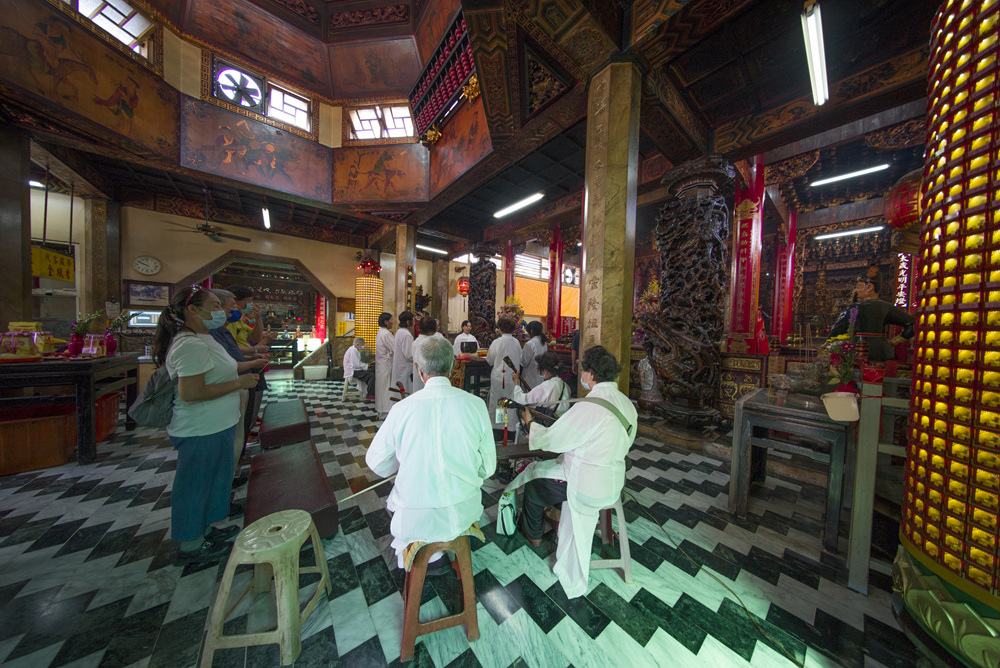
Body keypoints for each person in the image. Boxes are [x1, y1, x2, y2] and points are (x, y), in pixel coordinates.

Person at [515, 346, 638, 598]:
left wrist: (530, 423)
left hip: (586, 486)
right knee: (548, 471)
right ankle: (556, 520)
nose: (582, 373)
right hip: (614, 484)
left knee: (535, 479)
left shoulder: (589, 407)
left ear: (591, 374)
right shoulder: (627, 404)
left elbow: (552, 441)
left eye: (584, 369)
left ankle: (535, 534)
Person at [366, 337, 496, 570]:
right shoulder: (475, 405)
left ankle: (428, 560)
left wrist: (406, 463)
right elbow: (489, 467)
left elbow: (376, 462)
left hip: (416, 516)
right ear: (453, 366)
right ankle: (443, 555)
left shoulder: (401, 409)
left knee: (408, 512)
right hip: (464, 510)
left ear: (418, 369)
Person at [152, 285, 259, 565]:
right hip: (200, 427)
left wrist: (250, 364)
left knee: (215, 479)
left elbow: (226, 367)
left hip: (218, 422)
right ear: (193, 310)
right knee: (195, 484)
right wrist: (239, 383)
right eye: (214, 306)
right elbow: (191, 392)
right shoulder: (189, 345)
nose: (222, 312)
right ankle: (190, 545)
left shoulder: (206, 338)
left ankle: (209, 528)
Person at [209, 289, 268, 489]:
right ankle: (227, 478)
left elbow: (239, 353)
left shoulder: (224, 330)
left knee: (242, 428)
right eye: (230, 306)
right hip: (229, 388)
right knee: (233, 434)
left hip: (241, 380)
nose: (229, 311)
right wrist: (253, 355)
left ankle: (232, 471)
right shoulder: (206, 336)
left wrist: (252, 358)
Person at [828, 268, 915, 361]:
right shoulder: (887, 307)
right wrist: (894, 341)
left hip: (857, 352)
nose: (856, 290)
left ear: (869, 287)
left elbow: (835, 332)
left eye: (858, 287)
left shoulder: (854, 308)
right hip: (884, 353)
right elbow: (912, 323)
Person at [511, 351, 570, 442]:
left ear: (545, 371)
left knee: (524, 418)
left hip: (547, 426)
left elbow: (521, 400)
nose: (539, 371)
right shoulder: (565, 386)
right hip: (562, 425)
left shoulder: (545, 387)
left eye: (539, 370)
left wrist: (516, 383)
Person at [486, 316, 523, 433]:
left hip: (499, 377)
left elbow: (489, 360)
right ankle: (511, 427)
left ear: (500, 328)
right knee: (511, 401)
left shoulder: (497, 342)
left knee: (499, 402)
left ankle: (499, 428)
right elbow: (520, 359)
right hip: (513, 378)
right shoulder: (517, 342)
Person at [412, 316, 446, 392]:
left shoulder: (416, 342)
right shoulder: (430, 343)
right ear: (433, 330)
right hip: (429, 377)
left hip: (418, 376)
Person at [375, 312, 395, 418]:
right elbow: (395, 348)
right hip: (386, 365)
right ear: (385, 322)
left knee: (381, 388)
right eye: (391, 320)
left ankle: (381, 410)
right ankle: (386, 411)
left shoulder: (380, 332)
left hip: (381, 364)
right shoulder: (386, 334)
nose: (392, 322)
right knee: (385, 388)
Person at [392, 311, 415, 396]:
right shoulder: (406, 335)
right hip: (405, 368)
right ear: (408, 322)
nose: (414, 323)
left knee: (399, 392)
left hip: (400, 366)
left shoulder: (399, 332)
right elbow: (409, 355)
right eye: (413, 320)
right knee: (405, 390)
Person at [520, 321, 548, 388]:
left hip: (530, 376)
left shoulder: (530, 343)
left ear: (531, 331)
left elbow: (524, 362)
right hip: (540, 375)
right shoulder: (543, 343)